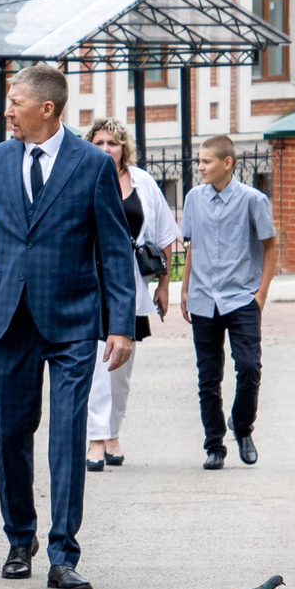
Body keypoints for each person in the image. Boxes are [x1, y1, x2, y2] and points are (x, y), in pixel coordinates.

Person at [0, 64, 137, 589]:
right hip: (9, 319)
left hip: (73, 320)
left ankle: (64, 553)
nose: (6, 111)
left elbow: (114, 248)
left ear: (46, 107)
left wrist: (121, 325)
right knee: (12, 433)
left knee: (67, 433)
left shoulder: (92, 164)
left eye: (14, 102)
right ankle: (20, 540)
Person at [178, 133, 278, 470]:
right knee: (208, 377)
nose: (200, 167)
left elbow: (270, 247)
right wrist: (185, 289)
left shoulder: (253, 200)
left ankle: (243, 427)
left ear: (227, 163)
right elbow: (193, 245)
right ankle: (214, 446)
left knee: (249, 367)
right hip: (203, 299)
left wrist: (260, 295)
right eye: (199, 161)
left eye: (206, 162)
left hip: (241, 298)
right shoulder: (193, 199)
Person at [83, 119, 177, 472]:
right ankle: (95, 437)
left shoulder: (143, 182)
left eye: (112, 142)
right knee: (96, 366)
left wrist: (164, 285)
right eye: (98, 142)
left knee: (120, 369)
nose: (105, 149)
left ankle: (112, 434)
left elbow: (165, 234)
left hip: (131, 285)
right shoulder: (83, 177)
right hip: (91, 283)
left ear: (124, 148)